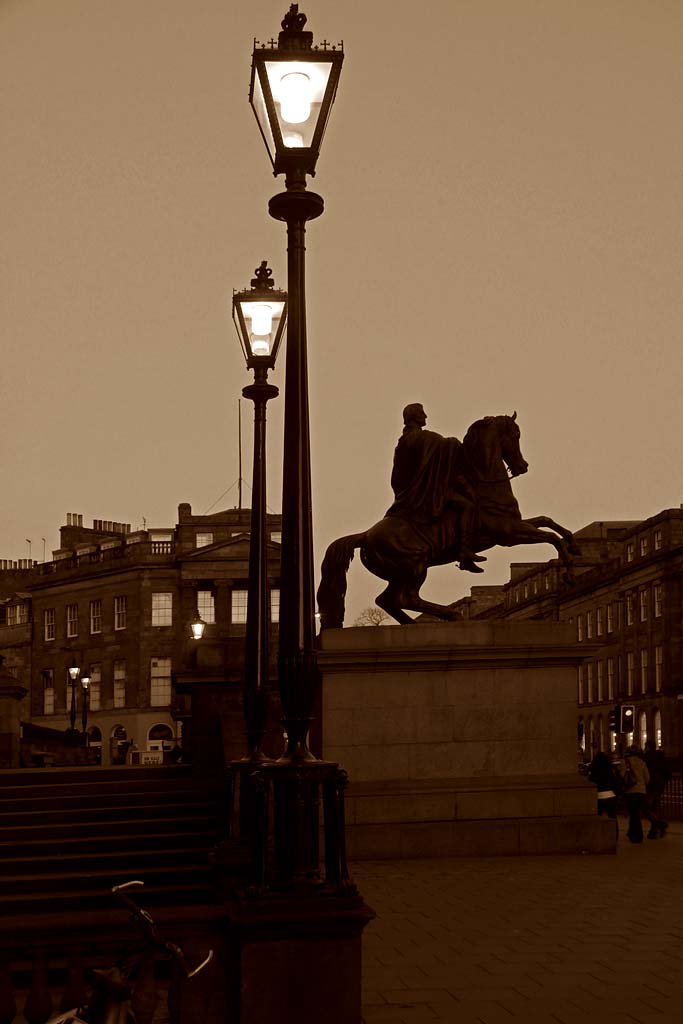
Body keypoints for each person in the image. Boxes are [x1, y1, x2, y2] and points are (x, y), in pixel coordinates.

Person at [387, 403, 486, 573]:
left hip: (413, 493)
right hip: (423, 494)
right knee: (467, 505)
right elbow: (450, 445)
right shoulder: (420, 437)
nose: (425, 416)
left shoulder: (404, 441)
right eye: (422, 413)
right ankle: (464, 552)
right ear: (414, 416)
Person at [620, 746, 650, 843]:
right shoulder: (642, 762)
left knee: (633, 814)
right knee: (636, 813)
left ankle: (637, 835)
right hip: (641, 791)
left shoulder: (625, 762)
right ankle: (632, 833)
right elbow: (647, 778)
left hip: (630, 791)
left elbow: (621, 776)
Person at [643, 739, 671, 839]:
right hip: (659, 786)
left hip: (650, 786)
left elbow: (645, 773)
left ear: (648, 747)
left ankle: (660, 823)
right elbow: (668, 773)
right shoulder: (662, 757)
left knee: (645, 808)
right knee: (654, 808)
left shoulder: (647, 757)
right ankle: (653, 832)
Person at [588, 751, 619, 833]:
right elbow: (614, 782)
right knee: (613, 817)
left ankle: (598, 834)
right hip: (610, 795)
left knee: (598, 817)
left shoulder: (594, 771)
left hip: (598, 796)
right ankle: (614, 836)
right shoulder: (608, 770)